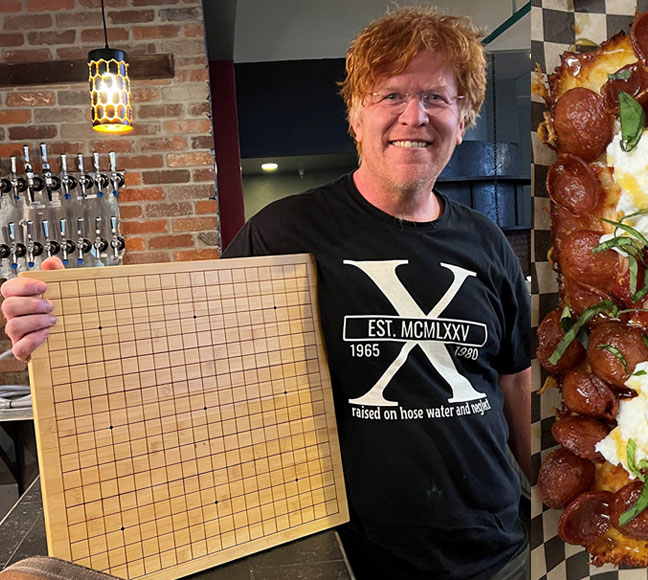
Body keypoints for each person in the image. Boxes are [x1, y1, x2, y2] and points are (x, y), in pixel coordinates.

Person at [1, 7, 530, 580]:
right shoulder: (282, 233)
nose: (414, 115)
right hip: (352, 559)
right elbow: (181, 356)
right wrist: (64, 328)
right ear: (356, 116)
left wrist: (548, 502)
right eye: (392, 95)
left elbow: (515, 382)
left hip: (497, 552)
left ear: (463, 119)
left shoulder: (488, 244)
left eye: (436, 97)